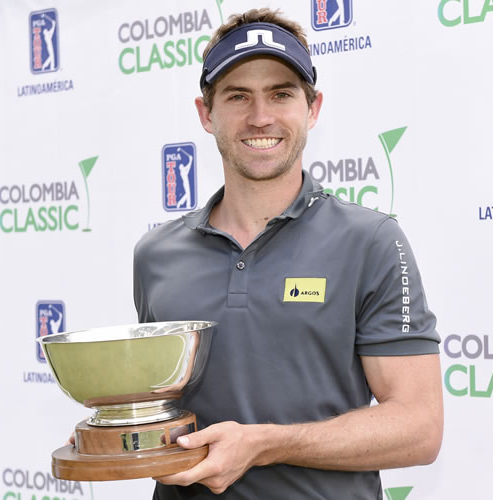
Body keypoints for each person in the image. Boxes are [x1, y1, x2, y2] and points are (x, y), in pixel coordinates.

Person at [133, 9, 442, 499]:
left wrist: (265, 444)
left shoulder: (371, 241)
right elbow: (160, 410)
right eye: (238, 96)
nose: (261, 117)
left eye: (280, 93)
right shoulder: (156, 254)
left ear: (312, 108)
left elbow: (419, 428)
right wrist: (113, 439)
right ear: (205, 113)